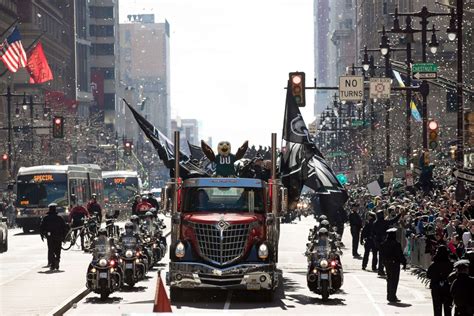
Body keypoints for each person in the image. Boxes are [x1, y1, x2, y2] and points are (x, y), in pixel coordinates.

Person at [380, 227, 406, 303]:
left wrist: (383, 262)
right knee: (394, 280)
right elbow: (400, 254)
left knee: (389, 279)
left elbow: (381, 254)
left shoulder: (384, 244)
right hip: (394, 264)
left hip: (387, 263)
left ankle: (389, 295)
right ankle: (392, 296)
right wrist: (404, 262)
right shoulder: (396, 244)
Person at [374, 209, 403, 276]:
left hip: (378, 241)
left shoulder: (375, 223)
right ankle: (381, 270)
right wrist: (400, 214)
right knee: (383, 256)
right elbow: (393, 221)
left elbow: (373, 233)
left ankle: (380, 269)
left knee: (380, 256)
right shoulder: (383, 222)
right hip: (383, 241)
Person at [427, 245, 453, 316]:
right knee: (448, 309)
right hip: (447, 288)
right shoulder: (450, 265)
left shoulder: (434, 265)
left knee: (437, 309)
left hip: (436, 288)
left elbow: (428, 275)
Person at [39, 203, 67, 271]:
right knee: (58, 250)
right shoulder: (60, 218)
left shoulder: (46, 218)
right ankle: (57, 260)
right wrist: (64, 237)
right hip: (58, 236)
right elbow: (64, 228)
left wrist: (42, 235)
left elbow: (41, 227)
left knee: (51, 250)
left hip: (50, 237)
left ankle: (53, 263)